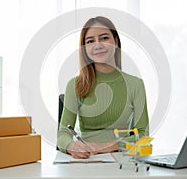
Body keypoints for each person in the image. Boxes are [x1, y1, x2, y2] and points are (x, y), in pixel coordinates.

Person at [57, 16, 149, 159]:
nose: (98, 45)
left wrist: (108, 146)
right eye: (90, 41)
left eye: (104, 38)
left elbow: (143, 136)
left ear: (116, 41)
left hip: (123, 161)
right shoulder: (75, 85)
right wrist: (70, 146)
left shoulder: (135, 85)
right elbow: (63, 134)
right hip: (88, 160)